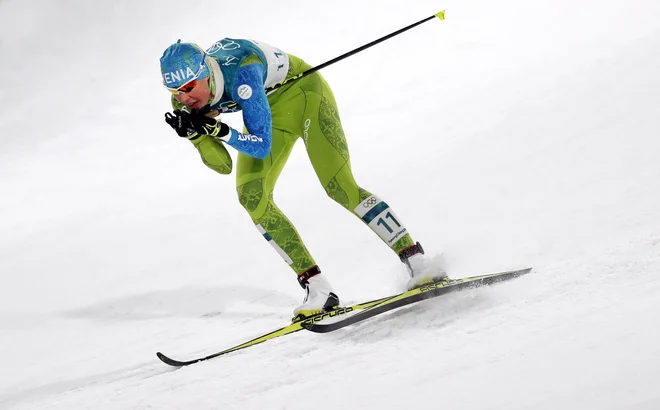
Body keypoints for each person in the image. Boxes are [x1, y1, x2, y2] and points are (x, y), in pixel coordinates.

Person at [160, 38, 446, 320]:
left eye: (188, 88)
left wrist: (219, 130)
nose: (184, 98)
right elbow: (222, 165)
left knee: (339, 186)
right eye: (175, 91)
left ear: (207, 73)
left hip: (306, 95)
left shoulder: (243, 71)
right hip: (267, 111)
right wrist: (196, 135)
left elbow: (260, 145)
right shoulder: (184, 97)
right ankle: (318, 289)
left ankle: (418, 262)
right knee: (252, 198)